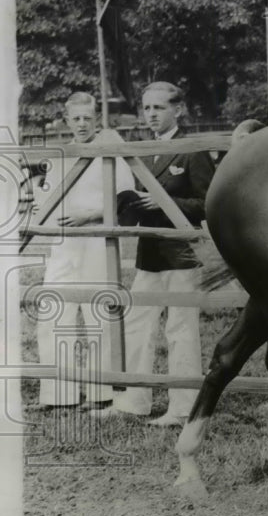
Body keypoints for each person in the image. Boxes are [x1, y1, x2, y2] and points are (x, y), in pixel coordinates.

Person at [93, 82, 214, 427]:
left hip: (182, 253)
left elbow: (209, 203)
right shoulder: (143, 150)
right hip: (150, 251)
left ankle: (182, 407)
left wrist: (165, 202)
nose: (151, 115)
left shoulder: (194, 150)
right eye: (146, 109)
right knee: (137, 323)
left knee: (180, 328)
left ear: (179, 110)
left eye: (158, 108)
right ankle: (135, 400)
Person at [34, 92, 135, 409]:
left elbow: (125, 197)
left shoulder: (111, 151)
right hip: (64, 244)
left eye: (87, 118)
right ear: (67, 120)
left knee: (96, 316)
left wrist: (89, 216)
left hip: (96, 241)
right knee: (52, 314)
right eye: (75, 118)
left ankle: (99, 393)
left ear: (96, 119)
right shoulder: (60, 155)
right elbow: (45, 199)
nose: (81, 124)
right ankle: (57, 395)